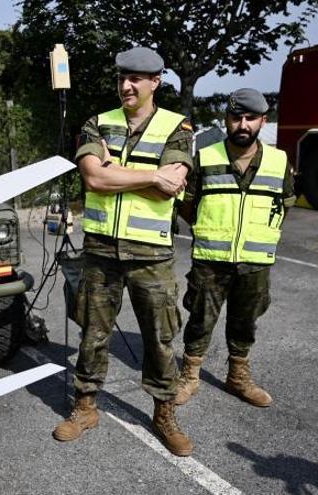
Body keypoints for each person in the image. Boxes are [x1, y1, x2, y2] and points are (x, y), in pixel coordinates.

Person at [53, 46, 195, 456]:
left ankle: (164, 413)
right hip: (100, 251)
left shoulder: (178, 127)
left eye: (136, 78)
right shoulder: (98, 122)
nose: (126, 85)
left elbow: (176, 181)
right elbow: (94, 179)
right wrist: (150, 175)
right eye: (121, 78)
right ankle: (85, 407)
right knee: (93, 335)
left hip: (151, 254)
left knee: (159, 338)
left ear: (156, 82)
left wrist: (116, 171)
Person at [175, 88, 295, 408]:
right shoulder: (206, 156)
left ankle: (238, 376)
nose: (242, 124)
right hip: (211, 259)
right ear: (226, 120)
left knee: (245, 320)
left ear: (262, 121)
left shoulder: (278, 161)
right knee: (200, 318)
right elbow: (187, 205)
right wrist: (208, 229)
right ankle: (189, 375)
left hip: (255, 261)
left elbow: (284, 205)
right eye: (236, 117)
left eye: (250, 118)